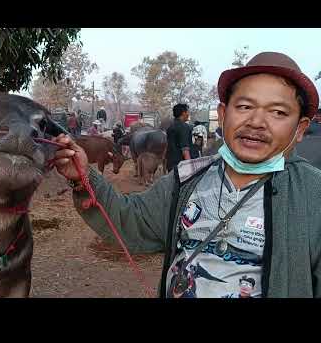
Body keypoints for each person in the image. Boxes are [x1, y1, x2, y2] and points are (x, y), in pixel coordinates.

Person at [52, 51, 321, 298]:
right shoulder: (187, 179)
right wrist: (82, 176)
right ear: (224, 114)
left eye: (277, 112)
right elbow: (132, 223)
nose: (256, 122)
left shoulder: (313, 195)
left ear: (300, 129)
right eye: (245, 107)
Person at [166, 104, 192, 172]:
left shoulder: (170, 127)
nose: (188, 114)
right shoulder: (184, 127)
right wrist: (190, 168)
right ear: (183, 113)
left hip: (171, 165)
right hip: (181, 167)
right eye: (188, 112)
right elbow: (185, 150)